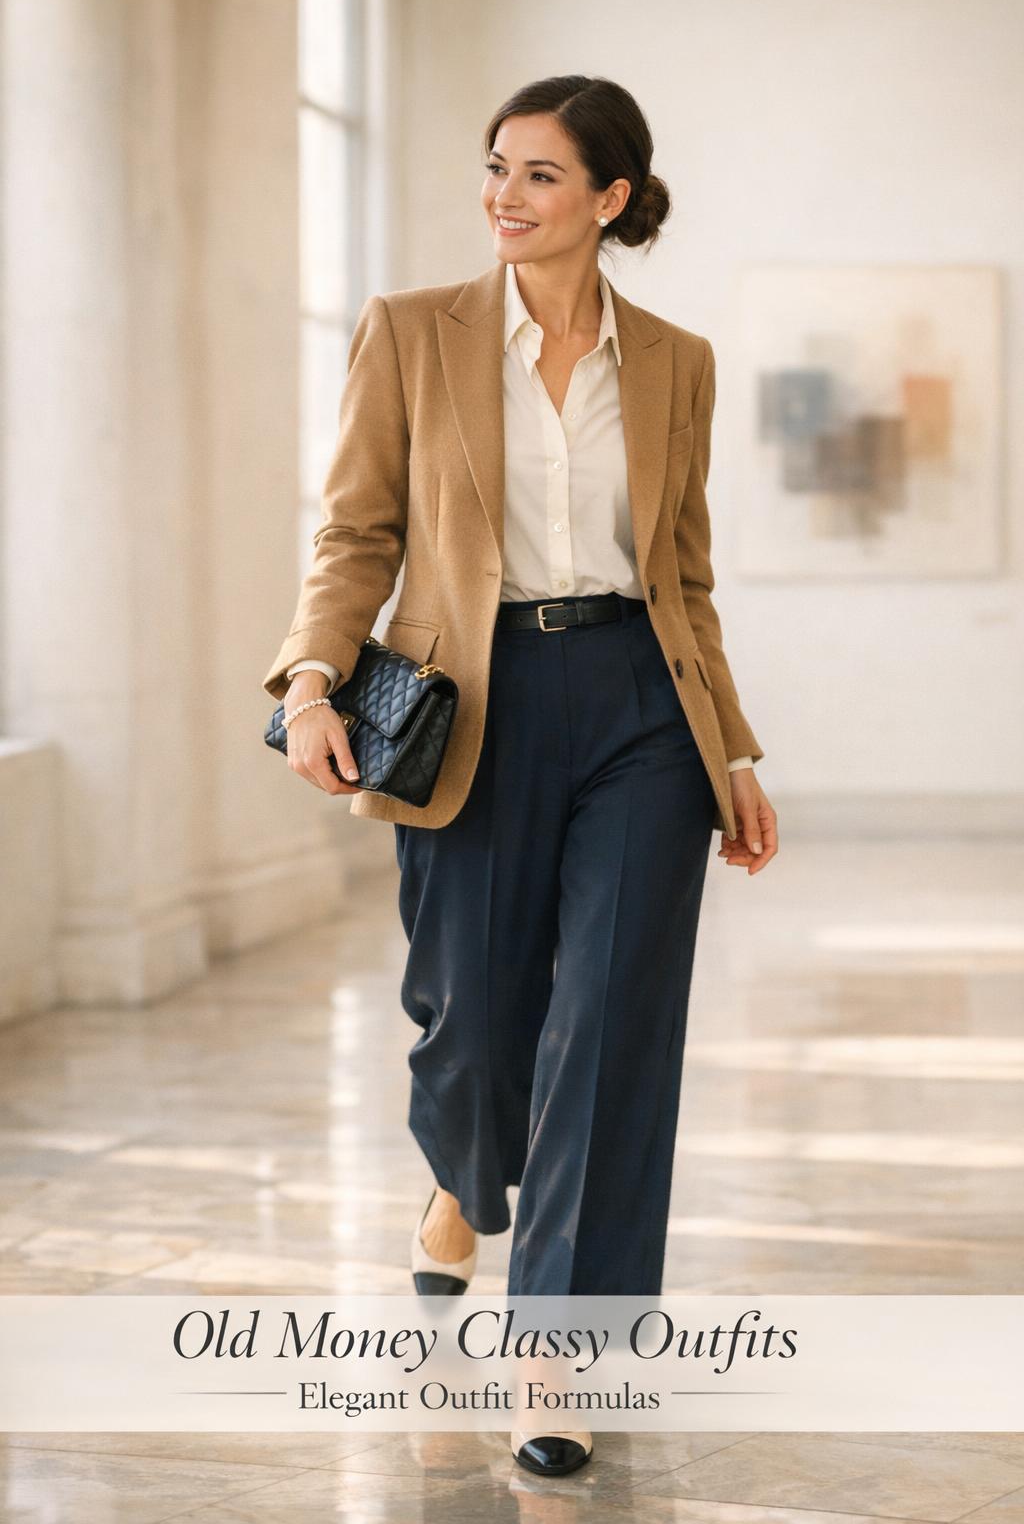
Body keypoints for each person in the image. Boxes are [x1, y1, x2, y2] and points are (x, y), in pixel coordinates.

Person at [263, 74, 778, 1478]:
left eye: (542, 176)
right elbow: (355, 530)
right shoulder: (412, 335)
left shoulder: (677, 361)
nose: (505, 195)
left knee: (608, 1029)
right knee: (472, 1025)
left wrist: (728, 747)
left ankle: (555, 1355)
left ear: (609, 202)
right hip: (463, 697)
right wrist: (310, 677)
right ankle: (455, 1183)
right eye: (498, 168)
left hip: (637, 712)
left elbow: (683, 571)